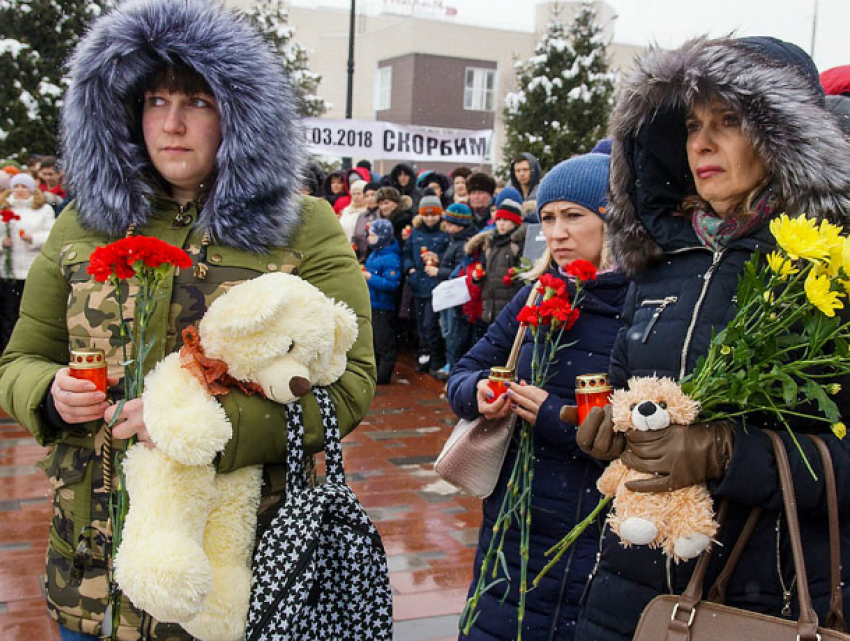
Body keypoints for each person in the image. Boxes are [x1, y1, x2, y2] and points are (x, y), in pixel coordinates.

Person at [0, 1, 376, 639]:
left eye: (198, 102)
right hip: (93, 571)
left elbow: (350, 385)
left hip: (235, 575)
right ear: (122, 111)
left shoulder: (303, 226)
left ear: (240, 113)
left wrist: (206, 426)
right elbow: (21, 360)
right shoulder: (81, 222)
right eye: (154, 100)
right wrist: (48, 393)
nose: (172, 123)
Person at [573, 36, 850, 640]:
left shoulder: (833, 266)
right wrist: (609, 427)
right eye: (692, 123)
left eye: (730, 120)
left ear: (787, 134)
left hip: (767, 596)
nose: (701, 142)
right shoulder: (661, 259)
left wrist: (730, 453)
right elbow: (630, 386)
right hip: (633, 583)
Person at [447, 153, 628, 640]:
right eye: (547, 218)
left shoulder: (640, 308)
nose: (556, 233)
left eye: (574, 216)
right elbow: (464, 370)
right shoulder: (537, 296)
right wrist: (479, 393)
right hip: (513, 523)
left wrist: (552, 416)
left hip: (593, 527)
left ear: (612, 221)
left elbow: (644, 430)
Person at [0, 173, 56, 352]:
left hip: (31, 269)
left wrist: (33, 238)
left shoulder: (43, 209)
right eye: (16, 186)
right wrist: (3, 242)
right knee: (8, 313)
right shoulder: (3, 208)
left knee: (30, 314)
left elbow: (52, 235)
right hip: (8, 271)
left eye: (24, 187)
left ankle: (29, 350)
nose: (19, 190)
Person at [401, 194, 450, 376]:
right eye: (427, 215)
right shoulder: (416, 232)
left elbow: (450, 258)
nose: (430, 219)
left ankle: (436, 359)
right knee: (420, 325)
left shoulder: (445, 234)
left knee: (431, 325)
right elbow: (406, 253)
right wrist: (410, 270)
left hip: (435, 287)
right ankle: (424, 356)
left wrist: (439, 262)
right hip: (417, 284)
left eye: (434, 215)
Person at [465, 197, 527, 329]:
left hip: (509, 306)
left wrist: (513, 280)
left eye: (506, 220)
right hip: (490, 307)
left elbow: (524, 277)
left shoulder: (517, 244)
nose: (501, 224)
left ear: (515, 222)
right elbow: (485, 273)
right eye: (498, 220)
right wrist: (477, 278)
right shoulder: (491, 243)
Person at [433, 202, 478, 378]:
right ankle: (451, 364)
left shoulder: (462, 244)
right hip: (453, 296)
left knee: (454, 334)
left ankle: (453, 367)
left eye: (450, 224)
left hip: (457, 297)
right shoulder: (456, 240)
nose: (447, 227)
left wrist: (438, 271)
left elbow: (459, 273)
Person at [363, 219, 401, 384]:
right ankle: (376, 371)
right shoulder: (374, 254)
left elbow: (392, 284)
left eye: (372, 235)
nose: (369, 238)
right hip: (372, 303)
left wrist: (370, 278)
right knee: (374, 341)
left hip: (383, 305)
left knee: (384, 342)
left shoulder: (391, 258)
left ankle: (383, 375)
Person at [339, 179, 370, 259]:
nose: (356, 197)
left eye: (359, 194)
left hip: (357, 251)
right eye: (353, 194)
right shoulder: (346, 210)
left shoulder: (367, 212)